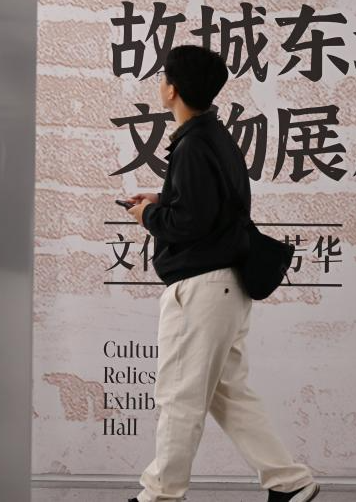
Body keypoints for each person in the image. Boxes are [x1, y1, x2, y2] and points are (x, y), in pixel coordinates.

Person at [124, 45, 319, 502]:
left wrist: (148, 216)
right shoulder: (214, 137)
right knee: (229, 395)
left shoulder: (193, 145)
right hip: (225, 286)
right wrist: (163, 201)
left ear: (172, 89)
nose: (160, 84)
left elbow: (190, 223)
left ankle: (160, 495)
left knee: (178, 396)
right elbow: (211, 210)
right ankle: (290, 482)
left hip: (202, 289)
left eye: (163, 77)